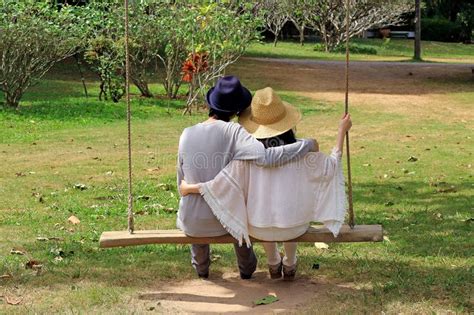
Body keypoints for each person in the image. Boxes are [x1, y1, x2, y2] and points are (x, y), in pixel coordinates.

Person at [179, 87, 352, 281]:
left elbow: (220, 185)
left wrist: (190, 188)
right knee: (289, 213)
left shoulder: (245, 159)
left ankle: (273, 261)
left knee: (262, 214)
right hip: (294, 227)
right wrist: (341, 131)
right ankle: (290, 263)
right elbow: (332, 167)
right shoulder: (304, 155)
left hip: (258, 227)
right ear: (287, 123)